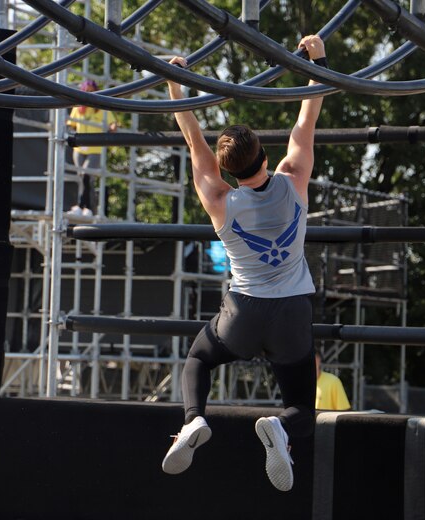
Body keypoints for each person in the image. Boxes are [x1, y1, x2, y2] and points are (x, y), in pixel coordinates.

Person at [160, 35, 328, 492]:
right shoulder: (294, 180)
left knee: (198, 358)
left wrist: (177, 86)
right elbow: (305, 120)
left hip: (243, 311)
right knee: (301, 409)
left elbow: (194, 139)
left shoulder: (219, 199)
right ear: (266, 157)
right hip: (292, 311)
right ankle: (281, 430)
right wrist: (318, 62)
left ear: (227, 169)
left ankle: (194, 421)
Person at [67, 79, 117, 217]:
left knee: (86, 175)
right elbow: (71, 123)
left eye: (91, 90)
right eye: (86, 90)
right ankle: (86, 208)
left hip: (95, 149)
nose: (89, 92)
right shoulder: (78, 108)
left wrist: (112, 127)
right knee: (83, 178)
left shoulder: (100, 107)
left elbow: (113, 123)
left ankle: (84, 206)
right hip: (79, 148)